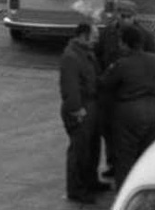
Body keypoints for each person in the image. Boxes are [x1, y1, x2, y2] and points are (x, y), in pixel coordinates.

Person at [95, 0, 155, 180]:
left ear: (135, 17)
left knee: (130, 142)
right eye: (122, 16)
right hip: (111, 94)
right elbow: (99, 56)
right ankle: (112, 163)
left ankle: (131, 172)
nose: (125, 20)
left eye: (129, 17)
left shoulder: (145, 36)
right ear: (117, 15)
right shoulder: (107, 33)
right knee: (109, 132)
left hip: (130, 95)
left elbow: (154, 66)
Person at [99, 24, 155, 191]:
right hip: (151, 111)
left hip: (127, 112)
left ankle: (125, 192)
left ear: (125, 43)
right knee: (146, 154)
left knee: (124, 156)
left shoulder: (121, 65)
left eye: (121, 43)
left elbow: (104, 85)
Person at [59, 21, 108, 205]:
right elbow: (70, 88)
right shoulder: (71, 57)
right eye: (93, 37)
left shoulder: (86, 53)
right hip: (81, 108)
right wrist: (76, 110)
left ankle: (91, 181)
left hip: (92, 106)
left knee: (93, 147)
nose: (96, 40)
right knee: (79, 151)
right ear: (83, 35)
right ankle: (76, 189)